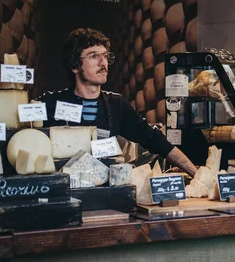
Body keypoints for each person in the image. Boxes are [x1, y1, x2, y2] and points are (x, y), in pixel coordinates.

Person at [36, 28, 197, 177]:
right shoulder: (50, 103)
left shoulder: (116, 104)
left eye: (105, 56)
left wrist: (196, 174)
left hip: (104, 193)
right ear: (75, 66)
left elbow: (155, 140)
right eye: (93, 56)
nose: (103, 63)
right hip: (63, 192)